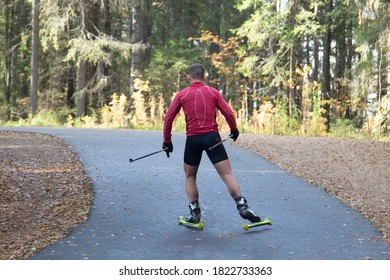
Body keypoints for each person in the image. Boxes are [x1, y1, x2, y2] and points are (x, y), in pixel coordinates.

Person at [162, 63, 261, 224]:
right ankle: (242, 205)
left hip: (193, 140)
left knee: (190, 175)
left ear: (189, 77)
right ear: (204, 76)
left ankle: (194, 212)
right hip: (212, 139)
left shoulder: (182, 94)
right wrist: (234, 129)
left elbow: (169, 118)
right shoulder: (213, 92)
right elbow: (228, 112)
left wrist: (167, 141)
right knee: (227, 174)